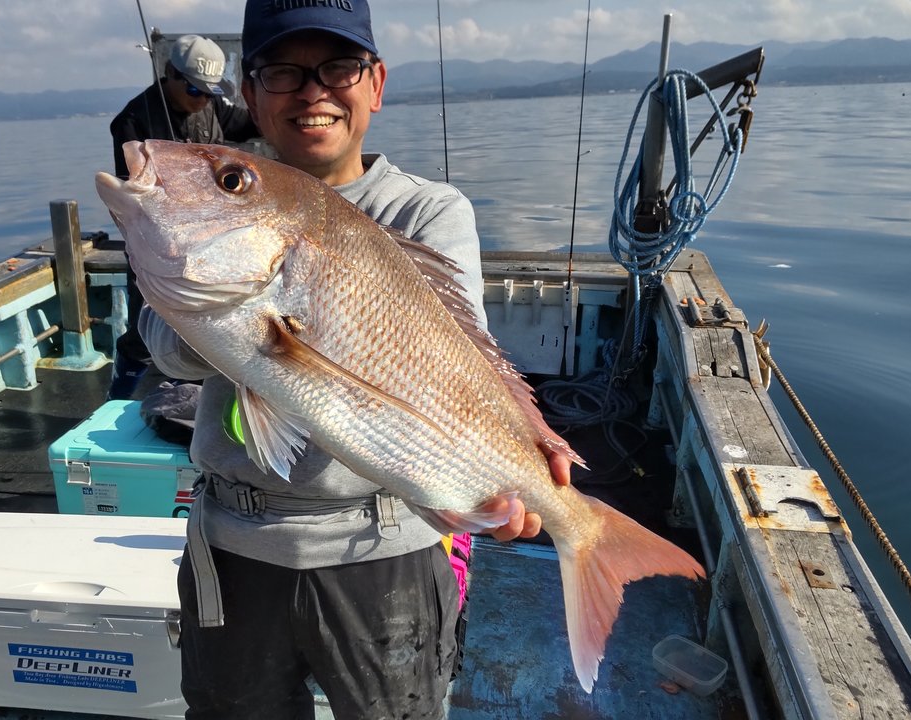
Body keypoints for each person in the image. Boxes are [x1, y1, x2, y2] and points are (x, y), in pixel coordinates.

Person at [136, 2, 573, 717]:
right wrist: (227, 304)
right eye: (282, 71)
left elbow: (465, 361)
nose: (312, 91)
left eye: (338, 67)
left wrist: (519, 464)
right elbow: (166, 351)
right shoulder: (207, 219)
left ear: (375, 84)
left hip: (385, 550)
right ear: (250, 92)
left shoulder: (428, 212)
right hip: (233, 548)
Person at [107, 34, 259, 399]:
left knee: (209, 328)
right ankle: (118, 398)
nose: (203, 100)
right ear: (170, 73)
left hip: (208, 244)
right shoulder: (132, 120)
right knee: (143, 331)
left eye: (210, 92)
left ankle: (189, 396)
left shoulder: (213, 109)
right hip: (158, 245)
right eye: (195, 90)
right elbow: (132, 196)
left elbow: (247, 125)